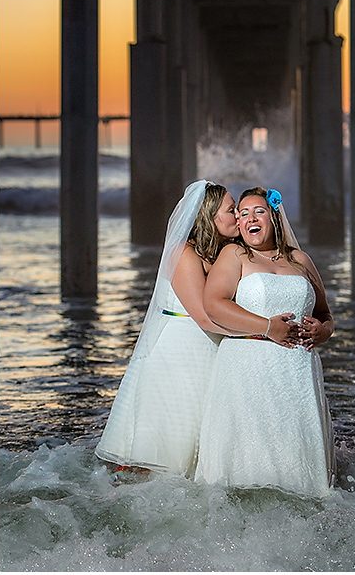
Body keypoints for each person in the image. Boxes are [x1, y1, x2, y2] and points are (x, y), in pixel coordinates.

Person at [96, 181, 258, 476]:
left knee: (199, 445)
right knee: (168, 446)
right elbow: (205, 316)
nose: (239, 216)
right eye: (231, 210)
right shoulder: (183, 253)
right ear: (209, 216)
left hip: (210, 350)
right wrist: (263, 333)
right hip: (180, 353)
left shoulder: (227, 253)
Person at [195, 187, 336, 496]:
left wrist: (324, 331)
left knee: (302, 474)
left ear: (273, 216)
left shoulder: (300, 260)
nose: (249, 218)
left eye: (257, 211)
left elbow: (325, 312)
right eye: (242, 214)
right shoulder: (234, 255)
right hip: (248, 369)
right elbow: (214, 303)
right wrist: (266, 327)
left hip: (299, 374)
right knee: (247, 468)